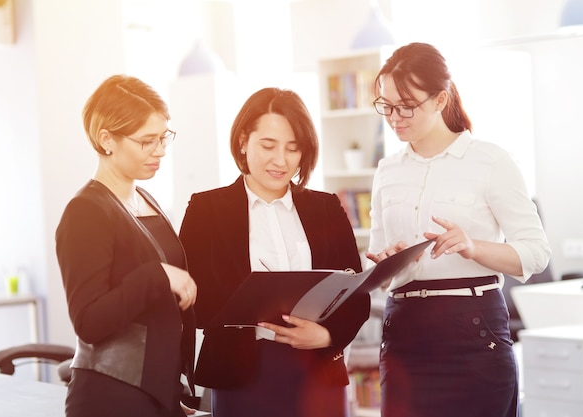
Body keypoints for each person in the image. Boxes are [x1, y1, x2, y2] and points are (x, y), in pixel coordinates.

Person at [366, 42, 552, 417]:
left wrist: (472, 246)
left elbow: (536, 252)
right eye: (386, 105)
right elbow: (381, 273)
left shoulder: (490, 161)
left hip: (473, 332)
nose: (395, 116)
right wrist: (384, 265)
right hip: (404, 336)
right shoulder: (387, 171)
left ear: (439, 100)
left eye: (407, 106)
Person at [178, 87, 371, 417]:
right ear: (243, 141)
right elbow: (192, 300)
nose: (280, 160)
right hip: (241, 375)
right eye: (268, 145)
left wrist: (326, 334)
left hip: (317, 369)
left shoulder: (326, 207)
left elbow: (356, 293)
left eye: (293, 149)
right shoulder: (206, 209)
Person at [55, 74, 198, 417]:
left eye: (163, 138)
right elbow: (88, 321)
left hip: (156, 394)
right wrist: (157, 274)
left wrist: (167, 387)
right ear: (107, 140)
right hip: (112, 399)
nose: (160, 151)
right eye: (147, 141)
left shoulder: (145, 199)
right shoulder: (86, 211)